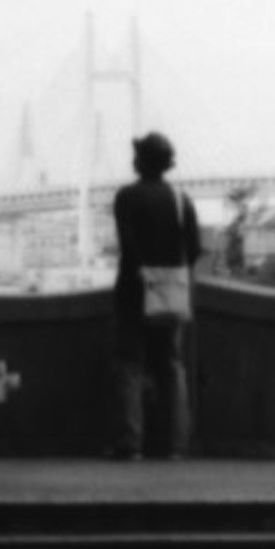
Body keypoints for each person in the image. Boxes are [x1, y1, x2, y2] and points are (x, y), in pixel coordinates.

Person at [108, 131, 201, 460]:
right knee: (171, 366)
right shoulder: (181, 199)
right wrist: (169, 274)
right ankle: (176, 445)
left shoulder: (126, 197)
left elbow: (129, 248)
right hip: (171, 291)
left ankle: (129, 443)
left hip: (133, 291)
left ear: (141, 161)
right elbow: (194, 249)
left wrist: (144, 275)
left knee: (129, 365)